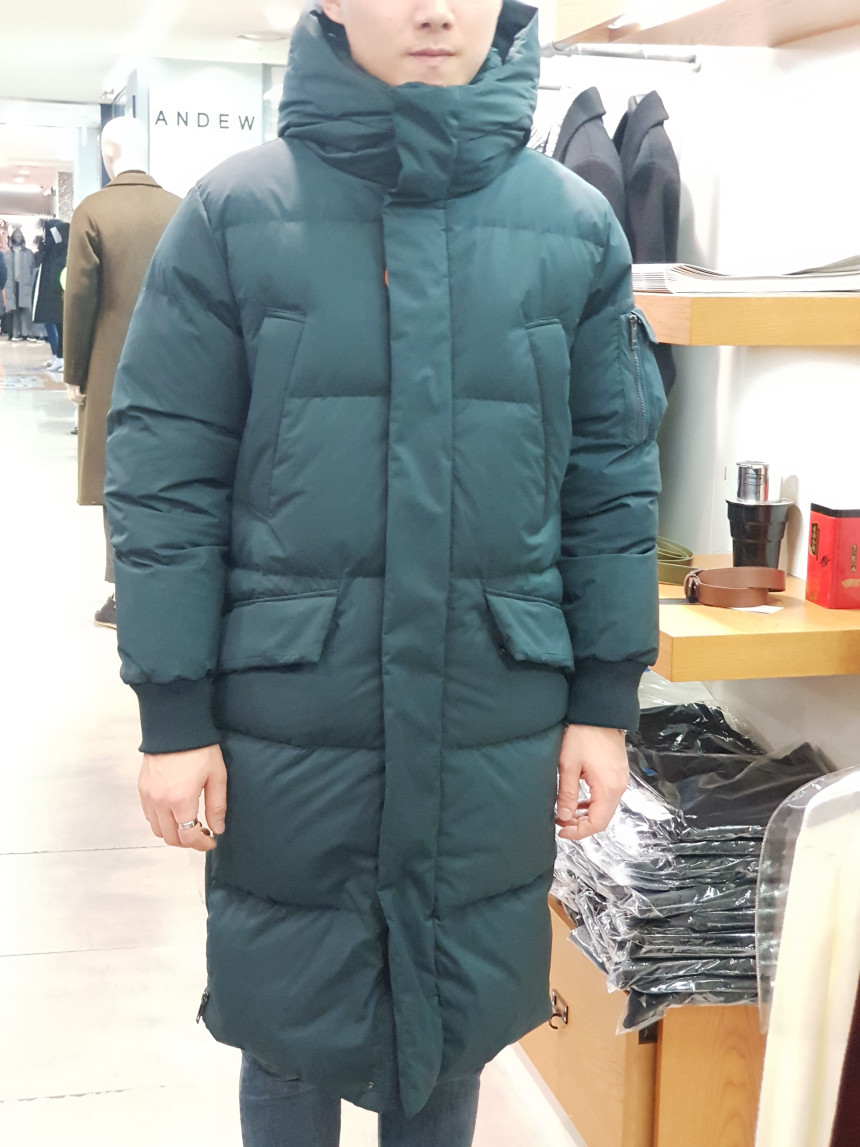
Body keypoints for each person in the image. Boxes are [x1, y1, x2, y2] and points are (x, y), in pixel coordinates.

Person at [104, 2, 666, 1144]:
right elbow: (165, 475)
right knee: (288, 1024)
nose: (434, 10)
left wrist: (604, 704)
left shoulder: (573, 227)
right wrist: (173, 714)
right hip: (288, 706)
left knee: (449, 1027)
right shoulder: (233, 214)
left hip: (490, 706)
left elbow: (610, 481)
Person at [64, 116, 180, 628]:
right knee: (166, 476)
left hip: (111, 366)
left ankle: (122, 594)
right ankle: (168, 580)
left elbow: (80, 299)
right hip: (175, 367)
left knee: (116, 479)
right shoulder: (181, 209)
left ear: (107, 154)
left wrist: (74, 372)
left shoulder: (92, 212)